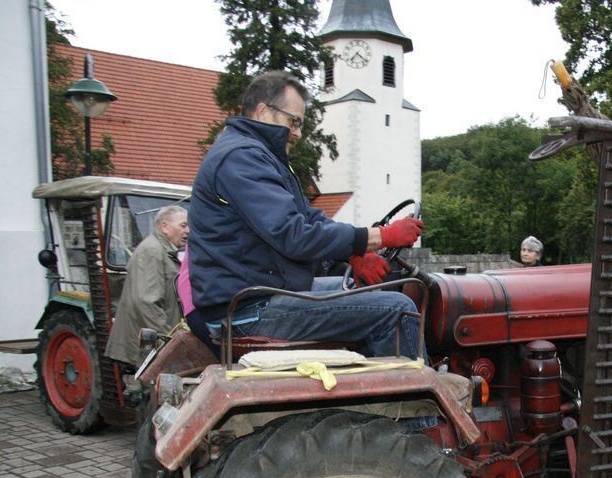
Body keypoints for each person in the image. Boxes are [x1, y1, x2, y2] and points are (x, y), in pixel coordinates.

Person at [187, 71, 423, 358]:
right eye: (294, 121)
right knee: (399, 310)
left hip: (259, 294)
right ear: (263, 111)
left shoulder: (258, 155)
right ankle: (412, 401)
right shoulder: (242, 158)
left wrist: (352, 252)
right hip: (249, 311)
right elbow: (292, 234)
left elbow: (308, 217)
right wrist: (379, 236)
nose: (298, 132)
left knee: (363, 291)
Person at [105, 206, 189, 367]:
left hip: (153, 337)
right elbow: (146, 302)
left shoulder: (165, 250)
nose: (188, 231)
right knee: (153, 385)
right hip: (149, 340)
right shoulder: (151, 251)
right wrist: (169, 339)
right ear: (165, 226)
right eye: (183, 225)